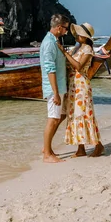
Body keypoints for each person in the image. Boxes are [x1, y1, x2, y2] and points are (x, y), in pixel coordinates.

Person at [57, 23, 104, 158]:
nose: (76, 35)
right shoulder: (77, 48)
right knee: (75, 115)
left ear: (84, 36)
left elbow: (78, 66)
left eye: (79, 34)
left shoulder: (87, 49)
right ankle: (81, 148)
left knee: (84, 114)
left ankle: (98, 145)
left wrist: (64, 52)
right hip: (73, 85)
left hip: (81, 84)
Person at [40, 14, 70, 163]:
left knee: (60, 116)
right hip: (54, 88)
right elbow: (50, 69)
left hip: (59, 86)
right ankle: (47, 154)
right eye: (65, 29)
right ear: (59, 28)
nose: (67, 32)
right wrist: (56, 93)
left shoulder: (55, 41)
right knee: (52, 119)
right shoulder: (49, 44)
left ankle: (47, 148)